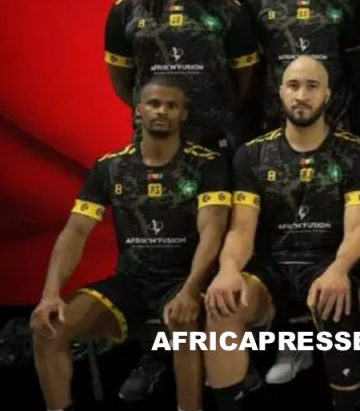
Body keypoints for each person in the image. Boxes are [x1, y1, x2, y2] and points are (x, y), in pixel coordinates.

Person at [31, 78, 231, 411]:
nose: (162, 111)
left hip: (185, 280)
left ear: (183, 114)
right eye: (154, 104)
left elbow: (212, 231)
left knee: (184, 326)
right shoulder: (109, 167)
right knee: (49, 330)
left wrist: (190, 290)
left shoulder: (207, 164)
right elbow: (76, 231)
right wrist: (50, 293)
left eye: (171, 106)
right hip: (131, 282)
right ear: (139, 111)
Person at [203, 56, 360, 411]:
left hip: (326, 264)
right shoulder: (252, 155)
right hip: (272, 267)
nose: (301, 95)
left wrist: (339, 269)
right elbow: (241, 230)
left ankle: (347, 399)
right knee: (224, 304)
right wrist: (228, 269)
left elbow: (359, 228)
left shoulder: (355, 153)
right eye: (294, 86)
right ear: (280, 92)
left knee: (334, 300)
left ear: (327, 94)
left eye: (312, 86)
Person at [105, 0, 259, 151]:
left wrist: (218, 112)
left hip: (214, 140)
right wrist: (155, 112)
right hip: (153, 140)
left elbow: (245, 77)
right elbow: (121, 80)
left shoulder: (228, 8)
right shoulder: (126, 9)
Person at [247, 0, 360, 132]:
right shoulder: (258, 1)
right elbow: (253, 67)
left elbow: (354, 63)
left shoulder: (345, 0)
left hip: (333, 118)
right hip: (276, 119)